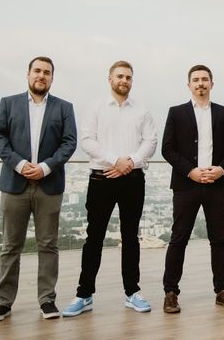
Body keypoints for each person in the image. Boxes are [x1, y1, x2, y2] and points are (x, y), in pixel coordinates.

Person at [63, 61, 157, 316]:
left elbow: (150, 142)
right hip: (102, 177)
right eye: (120, 76)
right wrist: (116, 160)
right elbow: (88, 141)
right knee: (94, 237)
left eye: (128, 77)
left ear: (131, 81)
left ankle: (132, 292)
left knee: (131, 237)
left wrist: (130, 163)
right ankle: (84, 295)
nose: (124, 80)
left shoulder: (142, 109)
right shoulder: (95, 107)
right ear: (110, 78)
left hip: (133, 178)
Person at [0, 56, 77, 322]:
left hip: (49, 185)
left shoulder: (64, 107)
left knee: (48, 245)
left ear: (52, 78)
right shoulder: (8, 103)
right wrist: (20, 164)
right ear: (28, 75)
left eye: (47, 72)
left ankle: (47, 300)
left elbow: (69, 143)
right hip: (14, 184)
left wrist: (46, 167)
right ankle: (3, 302)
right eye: (37, 71)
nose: (41, 75)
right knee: (10, 246)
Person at [161, 65, 224, 313]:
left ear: (212, 84)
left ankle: (222, 290)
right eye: (195, 80)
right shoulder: (176, 112)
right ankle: (170, 292)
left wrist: (221, 169)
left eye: (205, 79)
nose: (200, 83)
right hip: (186, 184)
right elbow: (167, 148)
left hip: (217, 185)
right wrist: (191, 171)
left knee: (219, 239)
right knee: (179, 238)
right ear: (189, 85)